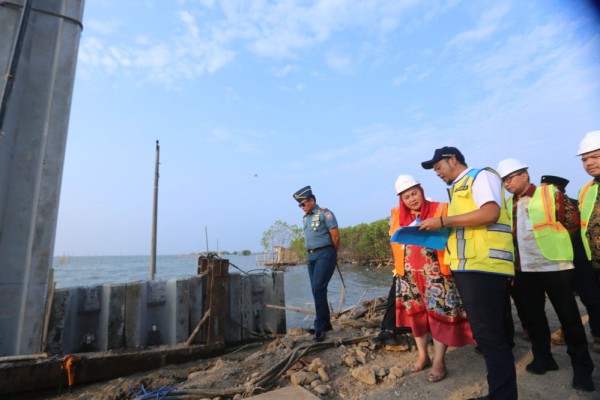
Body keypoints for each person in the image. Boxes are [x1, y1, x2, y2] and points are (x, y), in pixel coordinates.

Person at [419, 146, 517, 400]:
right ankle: (499, 393)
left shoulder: (480, 176)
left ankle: (502, 396)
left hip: (484, 267)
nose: (437, 173)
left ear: (453, 160)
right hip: (470, 268)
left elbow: (490, 213)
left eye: (439, 167)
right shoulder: (458, 189)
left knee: (490, 337)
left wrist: (442, 222)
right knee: (487, 336)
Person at [496, 159, 594, 392]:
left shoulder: (550, 193)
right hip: (524, 270)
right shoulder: (509, 204)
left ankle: (583, 369)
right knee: (534, 318)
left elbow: (571, 223)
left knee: (569, 319)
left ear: (524, 175)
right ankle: (544, 358)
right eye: (504, 181)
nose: (507, 184)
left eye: (511, 178)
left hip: (555, 266)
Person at [389, 174, 474, 382]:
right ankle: (422, 355)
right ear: (401, 199)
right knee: (416, 315)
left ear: (421, 190)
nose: (412, 199)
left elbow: (453, 236)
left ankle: (439, 360)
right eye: (406, 196)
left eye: (414, 193)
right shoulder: (395, 214)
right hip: (408, 273)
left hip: (436, 272)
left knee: (439, 315)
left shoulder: (440, 209)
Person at [541, 174, 600, 352]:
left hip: (579, 258)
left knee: (590, 297)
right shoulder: (541, 208)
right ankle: (567, 332)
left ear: (558, 190)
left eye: (547, 188)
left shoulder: (575, 204)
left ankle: (596, 334)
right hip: (558, 260)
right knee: (566, 300)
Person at [293, 185, 340, 342]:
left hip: (325, 254)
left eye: (303, 204)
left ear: (312, 200)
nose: (301, 207)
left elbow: (335, 236)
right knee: (317, 290)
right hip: (311, 256)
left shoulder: (325, 214)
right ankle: (325, 323)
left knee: (318, 288)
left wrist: (332, 255)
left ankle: (319, 327)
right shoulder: (306, 218)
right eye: (299, 205)